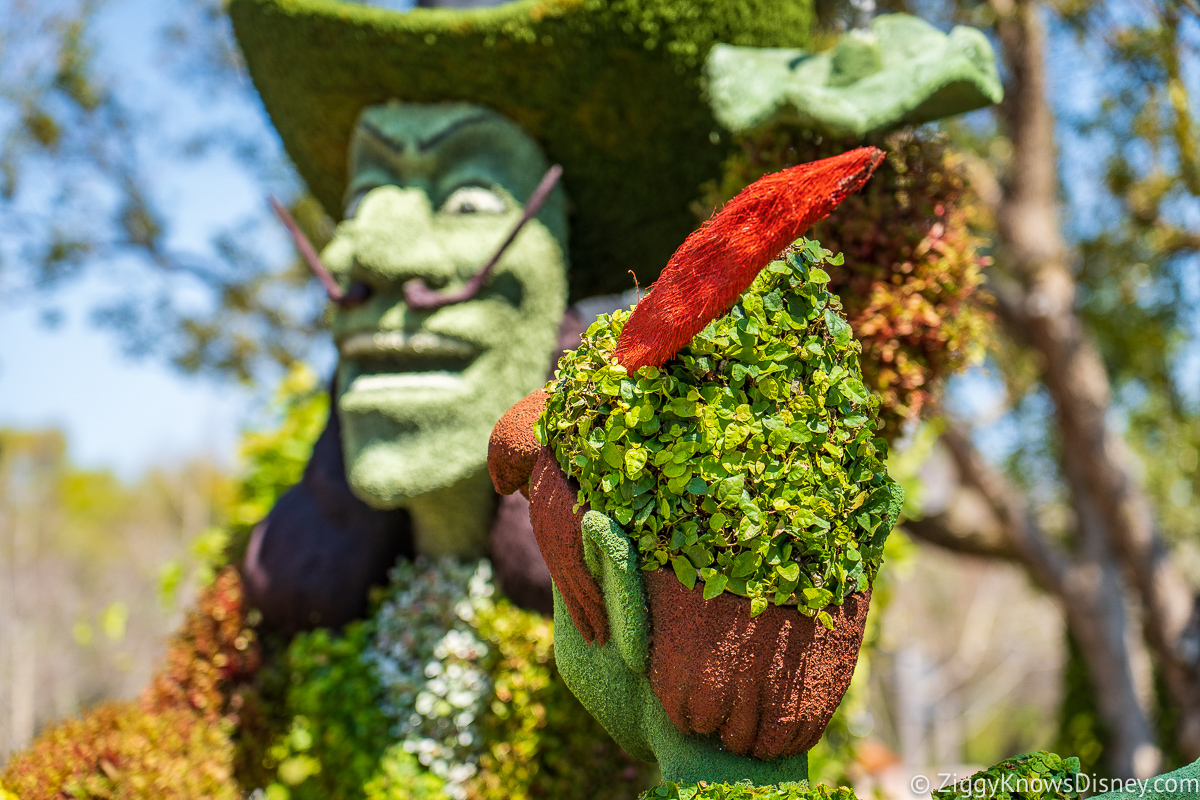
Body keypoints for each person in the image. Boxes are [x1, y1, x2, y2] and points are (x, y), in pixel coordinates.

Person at [228, 0, 1004, 635]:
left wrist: (873, 184)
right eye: (362, 201)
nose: (366, 251)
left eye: (468, 199)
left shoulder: (638, 581)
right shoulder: (288, 575)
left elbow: (800, 438)